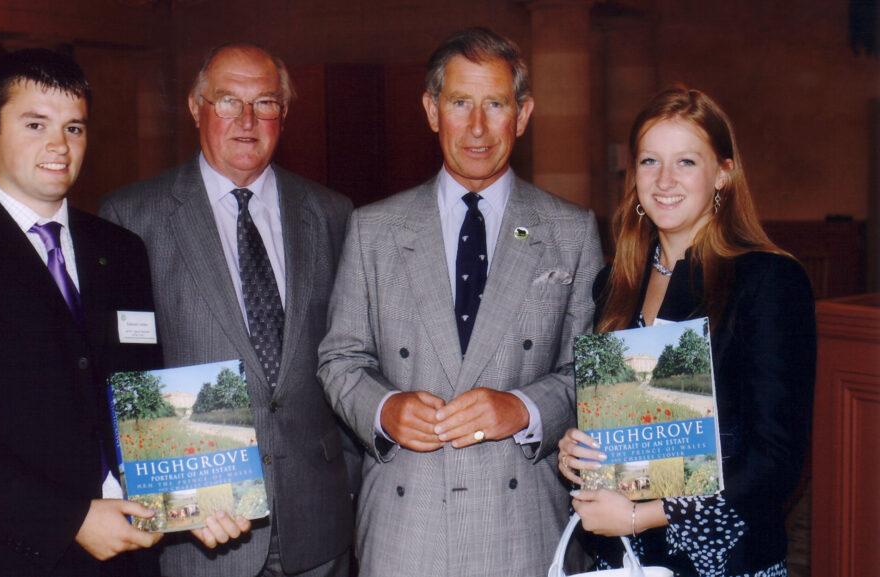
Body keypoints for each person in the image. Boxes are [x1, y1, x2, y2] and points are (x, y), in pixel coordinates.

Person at [0, 49, 184, 577]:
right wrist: (70, 519)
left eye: (74, 128)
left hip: (127, 556)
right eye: (35, 124)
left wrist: (195, 498)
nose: (58, 147)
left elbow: (143, 392)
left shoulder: (123, 249)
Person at [317, 27, 603, 577]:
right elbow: (340, 360)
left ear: (522, 115)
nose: (477, 128)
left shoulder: (571, 231)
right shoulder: (374, 228)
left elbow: (588, 374)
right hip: (405, 525)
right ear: (431, 110)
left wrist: (522, 407)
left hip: (523, 527)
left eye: (495, 104)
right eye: (460, 103)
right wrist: (384, 410)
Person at [99, 42, 357, 577]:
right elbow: (122, 368)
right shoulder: (131, 216)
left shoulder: (333, 214)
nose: (246, 120)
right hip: (201, 530)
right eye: (227, 102)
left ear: (282, 114)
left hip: (319, 523)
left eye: (264, 103)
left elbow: (350, 351)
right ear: (196, 107)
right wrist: (174, 491)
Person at [557, 87, 816, 577]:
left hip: (727, 561)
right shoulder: (613, 286)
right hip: (623, 562)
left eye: (687, 162)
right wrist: (579, 451)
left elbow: (775, 463)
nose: (665, 180)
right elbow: (629, 434)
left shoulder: (767, 280)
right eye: (650, 161)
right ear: (632, 175)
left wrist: (638, 516)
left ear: (723, 173)